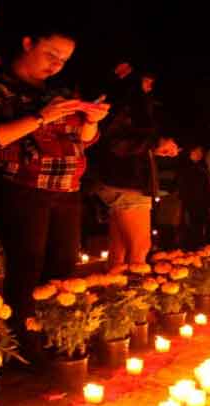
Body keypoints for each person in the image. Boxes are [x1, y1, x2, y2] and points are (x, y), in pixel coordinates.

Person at [0, 25, 110, 326]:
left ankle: (56, 334)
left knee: (63, 268)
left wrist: (92, 120)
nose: (56, 65)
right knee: (27, 266)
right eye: (51, 54)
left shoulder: (58, 92)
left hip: (67, 188)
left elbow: (82, 140)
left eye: (63, 60)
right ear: (27, 43)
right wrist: (40, 117)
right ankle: (23, 336)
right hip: (19, 185)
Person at [88, 70, 178, 267]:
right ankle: (135, 286)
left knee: (119, 251)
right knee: (139, 249)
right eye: (146, 81)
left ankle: (115, 283)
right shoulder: (126, 102)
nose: (150, 86)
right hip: (125, 180)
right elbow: (115, 142)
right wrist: (154, 143)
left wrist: (156, 146)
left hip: (119, 180)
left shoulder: (123, 101)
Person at [177, 144, 210, 249]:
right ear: (192, 152)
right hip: (193, 201)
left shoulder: (199, 167)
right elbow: (186, 185)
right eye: (199, 151)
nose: (201, 154)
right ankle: (192, 246)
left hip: (200, 201)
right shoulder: (188, 167)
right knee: (193, 225)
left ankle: (196, 244)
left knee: (198, 225)